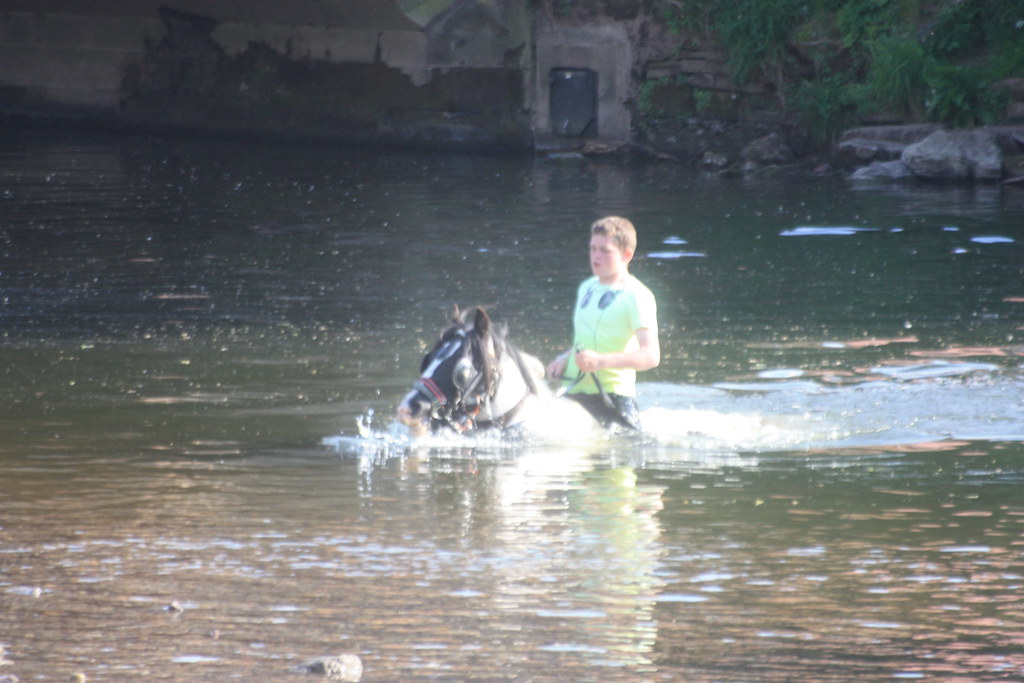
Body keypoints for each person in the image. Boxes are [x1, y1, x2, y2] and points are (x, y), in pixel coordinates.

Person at [546, 216, 660, 429]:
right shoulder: (586, 288)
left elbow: (651, 357)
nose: (596, 256)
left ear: (626, 255)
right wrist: (563, 359)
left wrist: (601, 362)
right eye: (593, 249)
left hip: (612, 397)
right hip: (572, 390)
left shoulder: (638, 295)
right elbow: (586, 341)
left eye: (605, 251)